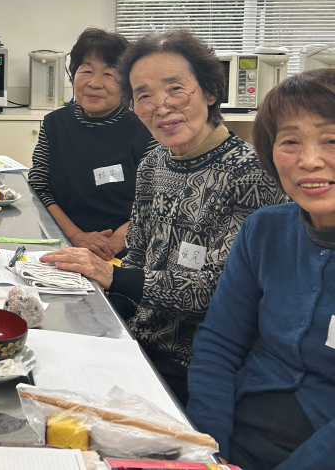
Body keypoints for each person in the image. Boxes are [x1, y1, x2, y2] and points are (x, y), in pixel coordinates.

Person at [41, 29, 285, 404]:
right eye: (144, 96)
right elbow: (137, 254)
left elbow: (217, 292)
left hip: (199, 366)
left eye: (175, 89)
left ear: (209, 92)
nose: (161, 106)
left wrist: (110, 275)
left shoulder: (250, 173)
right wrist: (95, 314)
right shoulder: (155, 162)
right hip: (139, 343)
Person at [188, 70, 335, 470]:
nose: (310, 160)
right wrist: (207, 450)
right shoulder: (265, 229)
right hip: (236, 428)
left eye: (331, 139)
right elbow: (220, 342)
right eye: (290, 141)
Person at [28, 28, 156, 260]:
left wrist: (114, 244)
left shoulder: (145, 129)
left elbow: (156, 198)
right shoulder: (54, 124)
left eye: (109, 74)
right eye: (86, 70)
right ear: (73, 75)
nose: (95, 83)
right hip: (63, 241)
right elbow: (39, 185)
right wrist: (76, 237)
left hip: (126, 249)